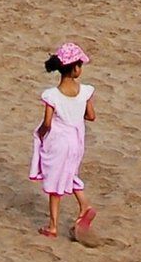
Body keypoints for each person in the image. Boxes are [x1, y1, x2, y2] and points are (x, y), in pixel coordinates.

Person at [29, 42, 97, 238]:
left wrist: (40, 134)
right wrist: (76, 113)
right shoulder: (85, 92)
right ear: (75, 68)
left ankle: (53, 226)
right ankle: (84, 205)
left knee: (55, 182)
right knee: (69, 173)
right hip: (77, 141)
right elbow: (91, 116)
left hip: (59, 142)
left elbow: (48, 123)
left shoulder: (52, 95)